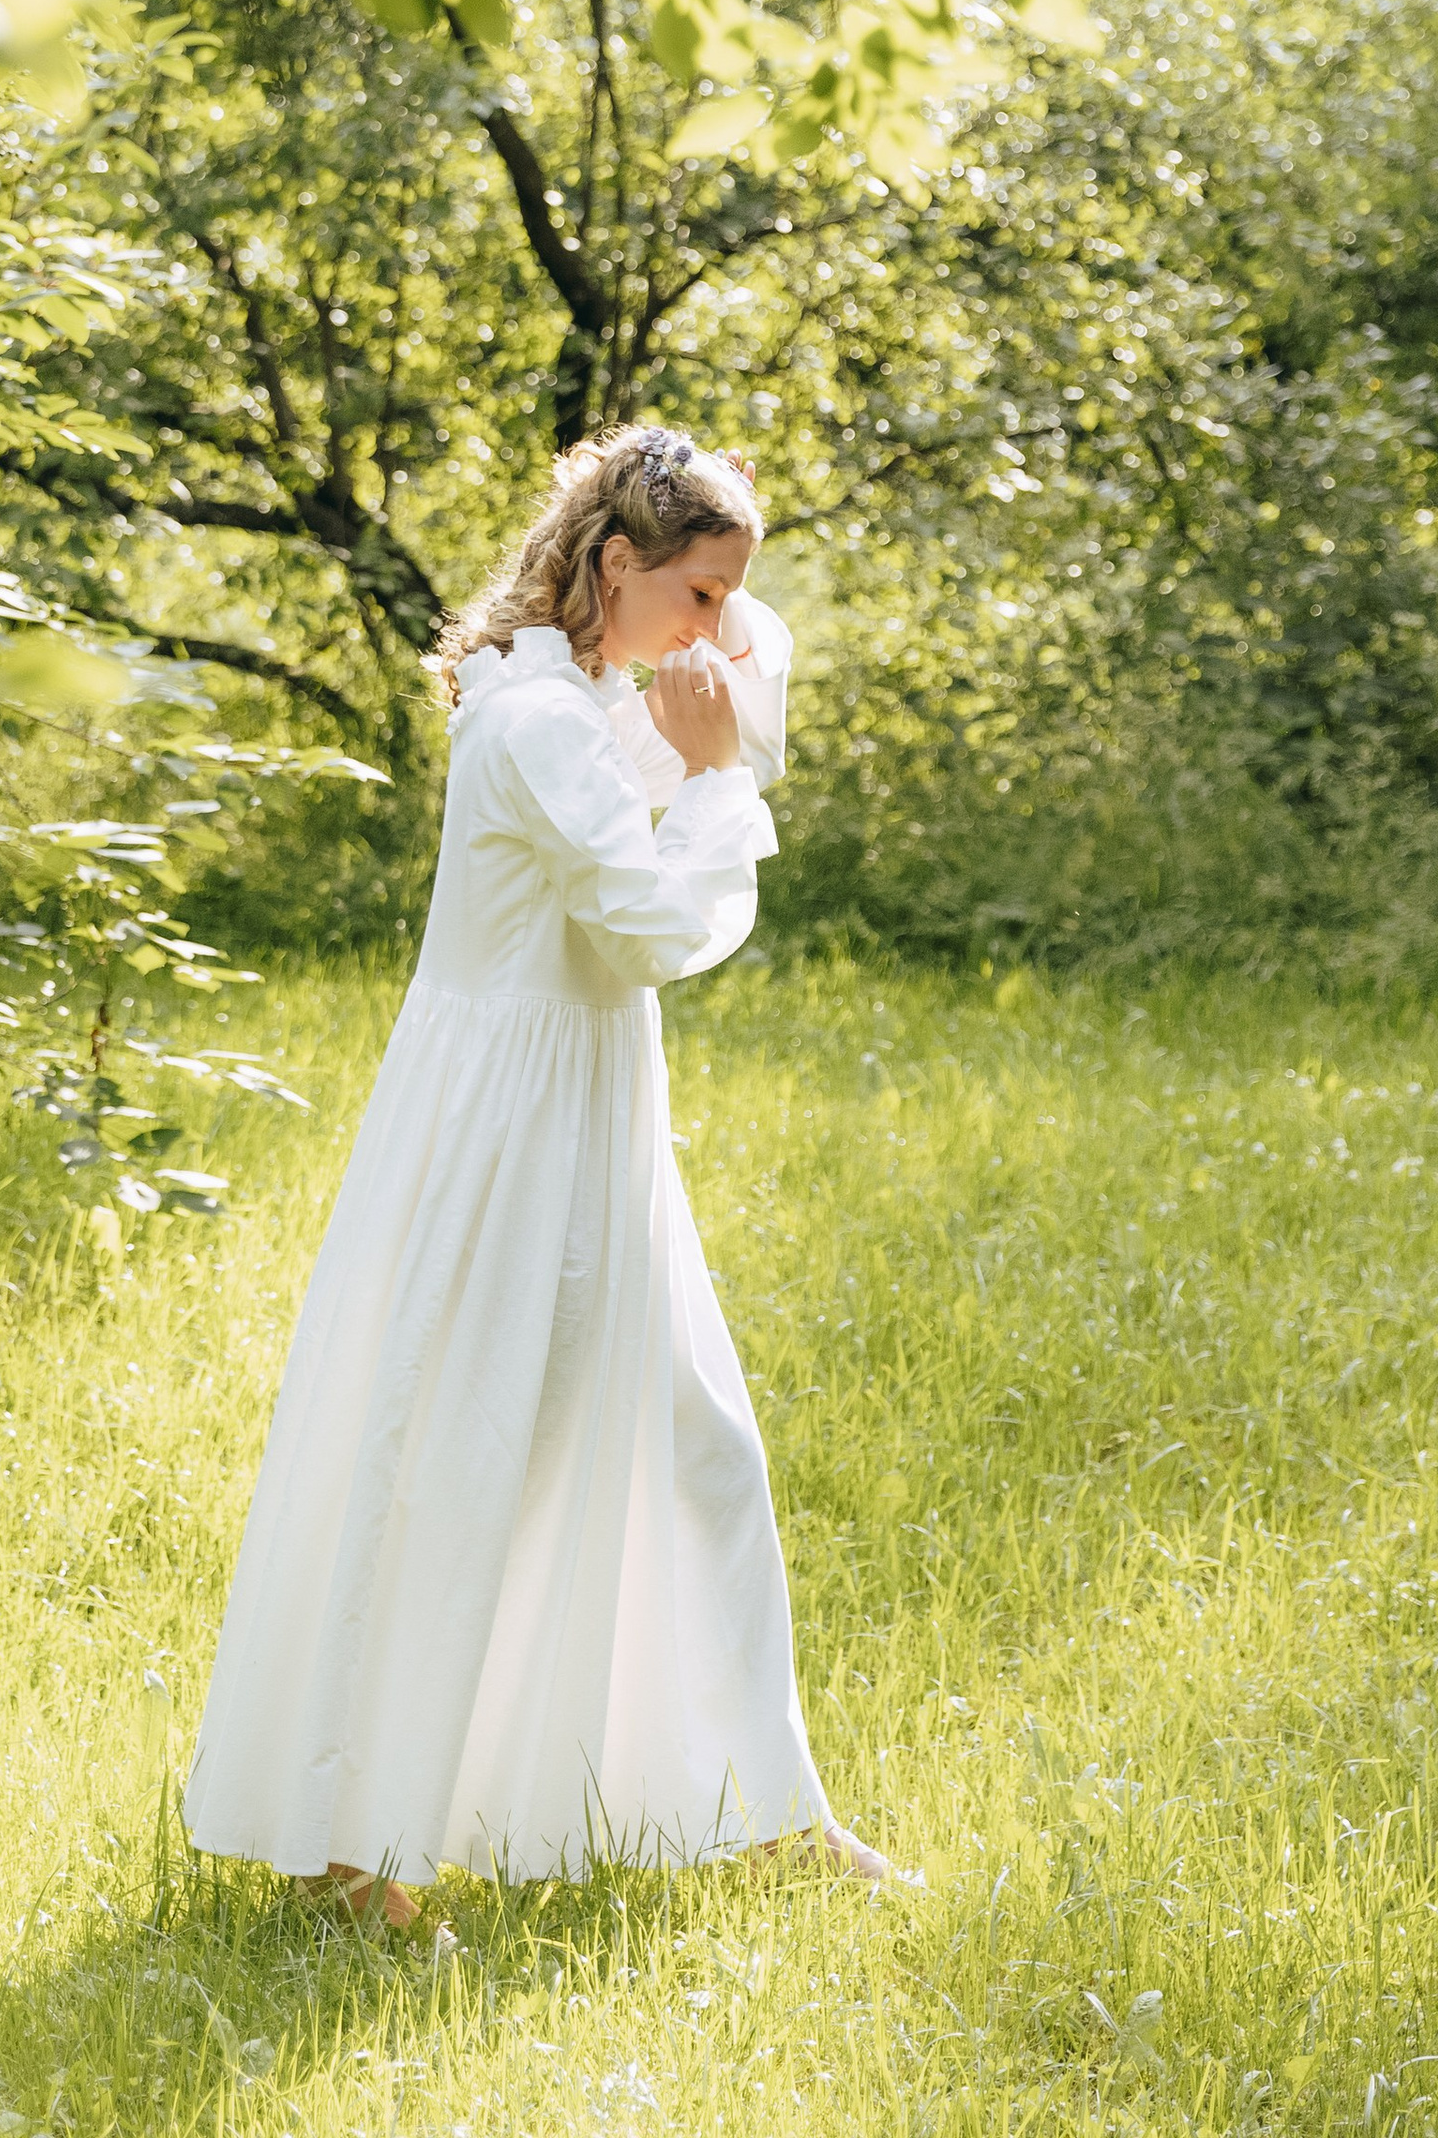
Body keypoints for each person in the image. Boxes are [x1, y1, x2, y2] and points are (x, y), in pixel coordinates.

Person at [179, 422, 908, 1934]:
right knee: (464, 1458)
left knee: (697, 1451)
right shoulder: (533, 720)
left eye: (727, 597)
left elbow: (723, 692)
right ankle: (353, 1845)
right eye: (697, 593)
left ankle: (760, 1810)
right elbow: (646, 927)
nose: (715, 627)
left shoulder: (578, 695)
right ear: (615, 563)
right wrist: (718, 780)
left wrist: (716, 692)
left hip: (590, 1112)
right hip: (510, 1133)